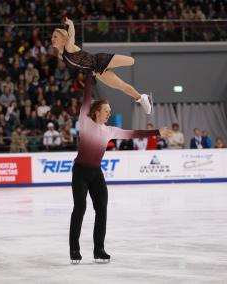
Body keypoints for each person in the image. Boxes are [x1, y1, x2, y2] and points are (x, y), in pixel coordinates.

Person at [69, 74, 172, 264]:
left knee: (102, 210)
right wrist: (89, 77)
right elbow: (86, 98)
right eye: (106, 111)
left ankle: (99, 249)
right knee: (80, 208)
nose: (109, 113)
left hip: (96, 173)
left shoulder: (110, 131)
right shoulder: (86, 123)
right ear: (97, 111)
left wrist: (157, 132)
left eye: (109, 111)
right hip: (81, 172)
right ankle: (74, 249)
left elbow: (134, 133)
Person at [51, 17, 153, 115]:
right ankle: (142, 98)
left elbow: (71, 35)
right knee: (122, 87)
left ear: (63, 39)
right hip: (97, 71)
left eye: (55, 36)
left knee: (132, 61)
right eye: (52, 36)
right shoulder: (61, 56)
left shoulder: (69, 47)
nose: (52, 38)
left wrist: (71, 24)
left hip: (100, 61)